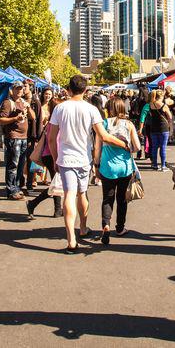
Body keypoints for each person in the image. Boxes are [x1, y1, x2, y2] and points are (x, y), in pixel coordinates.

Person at [47, 75, 126, 253]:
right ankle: (82, 227)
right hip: (83, 158)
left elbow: (51, 138)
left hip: (65, 158)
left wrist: (55, 158)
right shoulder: (91, 109)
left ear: (68, 89)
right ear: (85, 90)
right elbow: (103, 136)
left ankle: (71, 239)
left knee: (68, 195)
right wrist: (123, 144)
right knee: (82, 193)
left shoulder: (60, 108)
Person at [93, 96, 141, 245]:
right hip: (125, 168)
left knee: (107, 199)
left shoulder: (104, 124)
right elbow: (138, 147)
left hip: (107, 167)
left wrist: (96, 164)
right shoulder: (129, 124)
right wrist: (128, 150)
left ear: (108, 109)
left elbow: (97, 147)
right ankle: (120, 228)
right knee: (122, 199)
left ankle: (105, 225)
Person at [26, 98, 64, 218]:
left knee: (56, 182)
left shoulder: (52, 122)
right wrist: (57, 158)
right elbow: (54, 141)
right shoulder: (55, 123)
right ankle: (33, 203)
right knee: (56, 183)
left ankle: (58, 209)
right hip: (52, 155)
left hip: (49, 155)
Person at [0, 81, 35, 200]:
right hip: (13, 137)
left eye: (21, 89)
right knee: (12, 165)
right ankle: (11, 190)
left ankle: (17, 188)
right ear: (12, 90)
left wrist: (28, 108)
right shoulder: (8, 103)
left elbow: (33, 117)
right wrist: (15, 118)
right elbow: (0, 120)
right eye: (17, 89)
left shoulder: (24, 102)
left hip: (24, 137)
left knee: (20, 165)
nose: (19, 91)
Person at [141, 89, 172, 171]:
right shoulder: (163, 105)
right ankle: (163, 165)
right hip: (163, 128)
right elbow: (170, 117)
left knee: (154, 147)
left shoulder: (151, 104)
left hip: (153, 128)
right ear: (161, 96)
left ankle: (154, 164)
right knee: (163, 147)